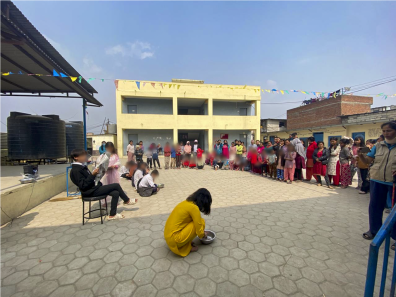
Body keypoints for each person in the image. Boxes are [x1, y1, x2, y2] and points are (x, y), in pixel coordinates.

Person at [69, 149, 137, 220]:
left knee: (115, 193)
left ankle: (112, 215)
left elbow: (89, 179)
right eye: (83, 155)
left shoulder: (82, 167)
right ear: (76, 157)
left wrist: (98, 173)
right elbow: (83, 185)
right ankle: (127, 200)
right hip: (90, 191)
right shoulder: (76, 170)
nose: (85, 157)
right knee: (116, 185)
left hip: (93, 188)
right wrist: (93, 175)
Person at [360, 122, 396, 246]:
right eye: (384, 131)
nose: (386, 133)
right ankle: (374, 231)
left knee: (394, 210)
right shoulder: (378, 145)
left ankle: (395, 237)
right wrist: (361, 156)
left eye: (389, 131)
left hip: (393, 182)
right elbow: (368, 161)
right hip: (377, 180)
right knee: (375, 206)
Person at [164, 188, 212, 256]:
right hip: (175, 240)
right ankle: (186, 247)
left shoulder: (186, 202)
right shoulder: (194, 208)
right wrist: (204, 235)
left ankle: (186, 242)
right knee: (201, 222)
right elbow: (199, 231)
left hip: (168, 237)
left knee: (197, 222)